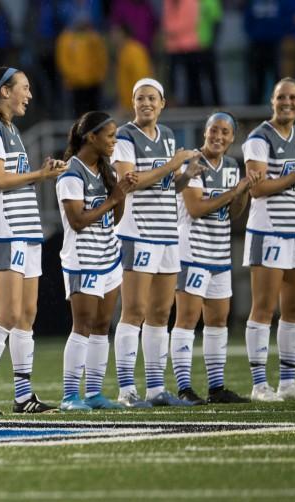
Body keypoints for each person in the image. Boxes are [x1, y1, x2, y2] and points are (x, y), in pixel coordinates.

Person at [0, 67, 65, 415]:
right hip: (5, 229)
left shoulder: (11, 128)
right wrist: (41, 173)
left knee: (27, 313)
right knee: (8, 312)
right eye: (24, 88)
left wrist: (42, 173)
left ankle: (24, 396)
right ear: (4, 92)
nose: (29, 94)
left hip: (26, 229)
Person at [111, 78, 199, 408]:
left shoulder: (168, 136)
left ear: (162, 103)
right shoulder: (124, 136)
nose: (146, 103)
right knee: (134, 310)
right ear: (133, 103)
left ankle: (156, 389)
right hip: (137, 232)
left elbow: (165, 185)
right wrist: (173, 164)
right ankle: (125, 390)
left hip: (167, 232)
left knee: (161, 312)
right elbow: (127, 184)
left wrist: (184, 177)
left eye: (151, 98)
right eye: (139, 98)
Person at [242, 77, 295, 402]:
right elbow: (257, 188)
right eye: (281, 97)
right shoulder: (258, 138)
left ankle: (288, 382)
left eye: (293, 97)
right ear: (272, 101)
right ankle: (259, 384)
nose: (287, 102)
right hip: (268, 230)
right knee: (263, 308)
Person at [171, 112, 259, 405]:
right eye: (213, 130)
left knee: (218, 320)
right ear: (204, 132)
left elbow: (233, 213)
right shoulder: (192, 164)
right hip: (192, 252)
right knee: (186, 319)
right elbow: (195, 208)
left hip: (219, 252)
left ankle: (216, 388)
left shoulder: (233, 166)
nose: (218, 137)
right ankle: (184, 388)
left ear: (233, 137)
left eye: (225, 132)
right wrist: (234, 191)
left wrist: (243, 193)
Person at [56, 111, 136, 412]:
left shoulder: (106, 170)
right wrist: (114, 198)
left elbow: (116, 218)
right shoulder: (71, 172)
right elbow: (77, 221)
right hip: (83, 259)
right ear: (91, 137)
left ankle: (93, 393)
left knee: (103, 325)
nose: (115, 141)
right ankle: (69, 395)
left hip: (108, 255)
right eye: (111, 135)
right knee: (83, 325)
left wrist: (122, 192)